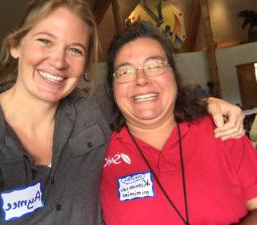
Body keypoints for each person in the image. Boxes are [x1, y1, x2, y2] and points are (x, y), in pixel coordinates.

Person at [0, 1, 246, 224]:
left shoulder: (90, 113)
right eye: (45, 40)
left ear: (85, 66)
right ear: (15, 46)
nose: (58, 60)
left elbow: (150, 97)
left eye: (75, 49)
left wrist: (209, 102)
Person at [100, 21, 257, 225]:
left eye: (154, 65)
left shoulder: (222, 129)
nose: (141, 79)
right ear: (112, 87)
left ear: (174, 75)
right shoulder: (97, 151)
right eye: (124, 72)